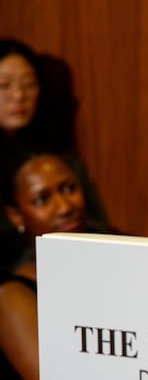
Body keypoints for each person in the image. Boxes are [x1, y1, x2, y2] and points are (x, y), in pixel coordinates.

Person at [0, 148, 101, 380]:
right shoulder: (11, 296)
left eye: (69, 188)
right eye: (43, 199)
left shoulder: (111, 264)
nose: (66, 206)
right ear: (16, 215)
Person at [0, 38, 112, 268]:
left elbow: (98, 225)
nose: (19, 95)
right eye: (4, 85)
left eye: (29, 83)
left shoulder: (60, 159)